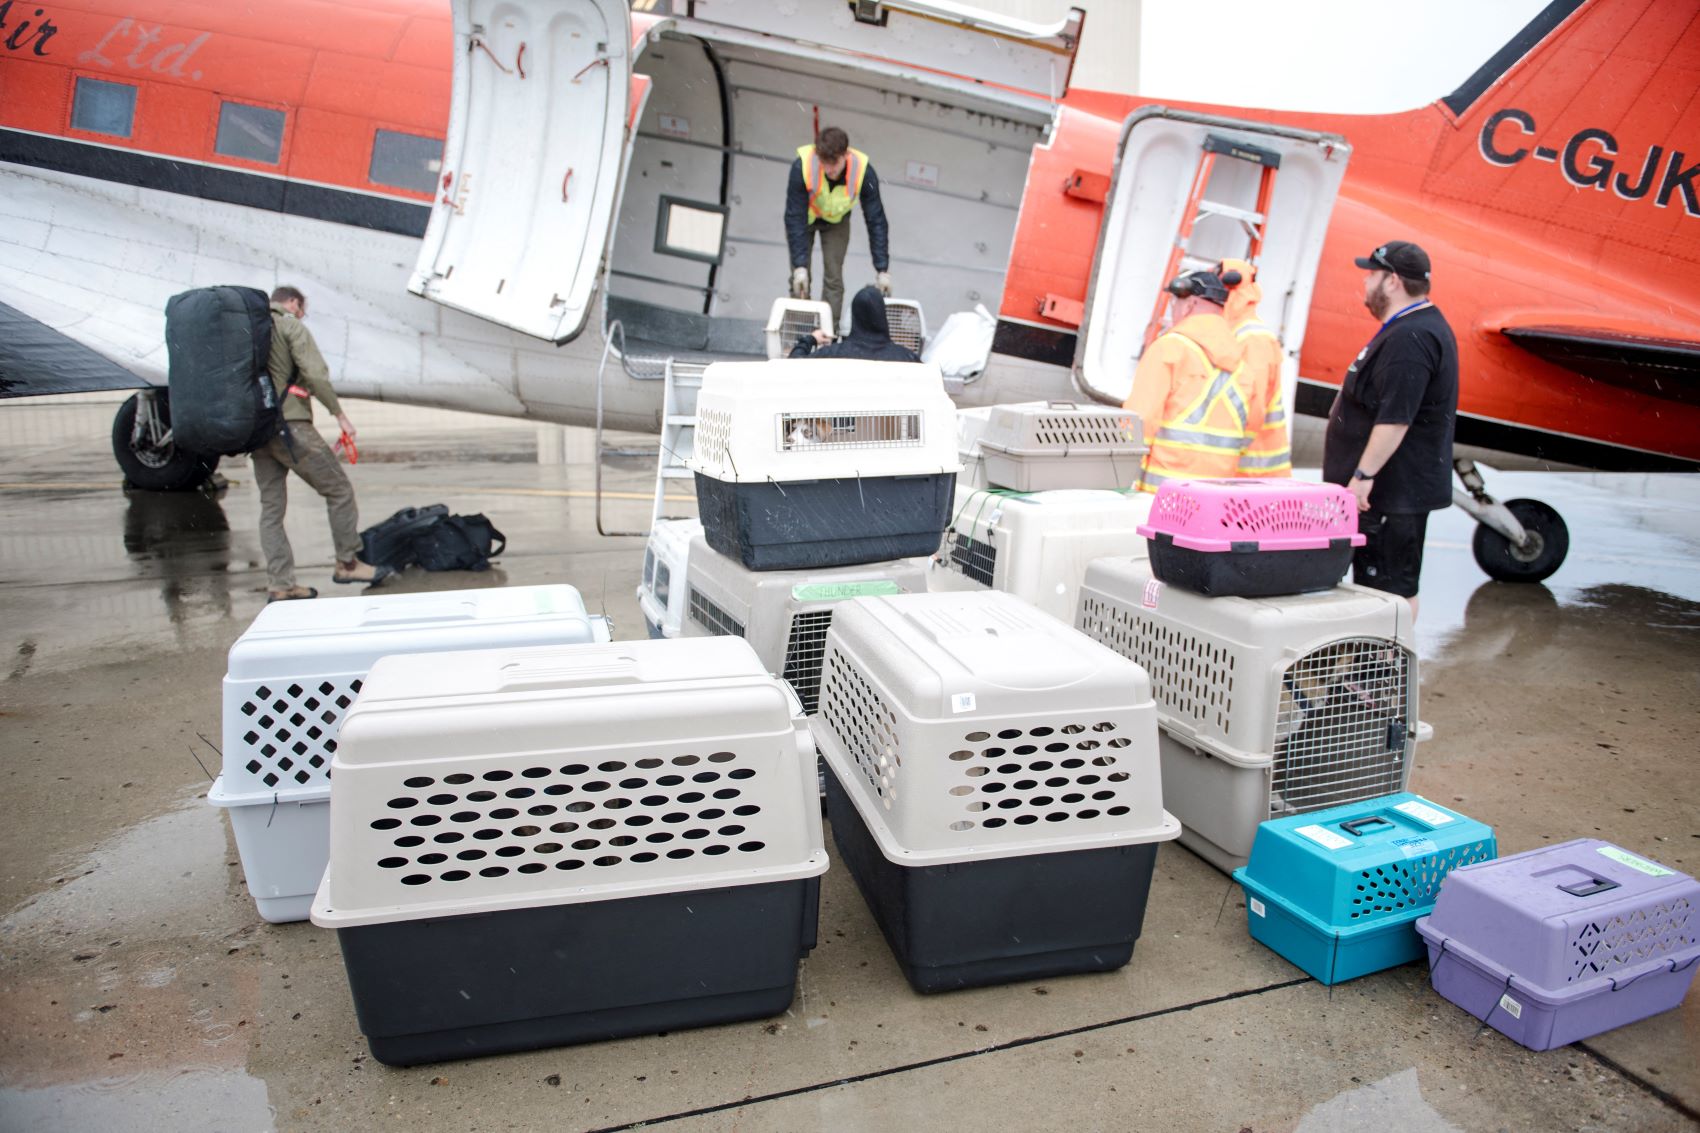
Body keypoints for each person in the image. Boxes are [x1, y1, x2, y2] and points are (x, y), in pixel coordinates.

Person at [1322, 241, 1459, 622]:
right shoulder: (1411, 328)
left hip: (1391, 495)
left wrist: (1363, 477)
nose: (1366, 284)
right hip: (1391, 494)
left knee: (1388, 592)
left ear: (1393, 281)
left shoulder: (1410, 338)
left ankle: (1378, 675)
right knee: (1380, 587)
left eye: (1372, 275)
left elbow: (1395, 419)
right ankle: (1373, 670)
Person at [252, 285, 390, 601]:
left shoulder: (251, 330)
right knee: (339, 490)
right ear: (293, 303)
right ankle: (348, 563)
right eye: (303, 309)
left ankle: (281, 583)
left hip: (258, 430)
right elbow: (314, 373)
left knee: (271, 510)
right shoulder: (289, 325)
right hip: (290, 426)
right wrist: (339, 415)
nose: (303, 315)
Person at [1124, 269, 1247, 492]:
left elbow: (1140, 420)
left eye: (1174, 303)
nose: (1174, 310)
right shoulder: (1242, 364)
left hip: (1162, 493)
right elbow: (1250, 430)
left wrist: (1122, 477)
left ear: (1189, 304)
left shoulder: (1169, 349)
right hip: (1215, 497)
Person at [784, 126, 891, 330]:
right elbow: (794, 215)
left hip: (837, 222)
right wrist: (799, 265)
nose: (830, 170)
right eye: (825, 163)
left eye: (835, 163)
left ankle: (826, 333)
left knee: (834, 278)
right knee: (800, 279)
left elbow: (876, 219)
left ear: (846, 154)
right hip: (805, 218)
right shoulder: (802, 166)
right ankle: (800, 334)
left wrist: (882, 269)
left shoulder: (864, 171)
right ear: (818, 156)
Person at [1219, 257, 1292, 477]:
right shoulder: (1236, 331)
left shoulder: (1252, 338)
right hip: (1249, 468)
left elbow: (1254, 404)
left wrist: (1229, 453)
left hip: (1254, 471)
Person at [789, 285, 920, 362]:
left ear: (854, 317)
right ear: (882, 316)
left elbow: (793, 366)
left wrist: (811, 339)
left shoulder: (832, 355)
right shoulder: (906, 358)